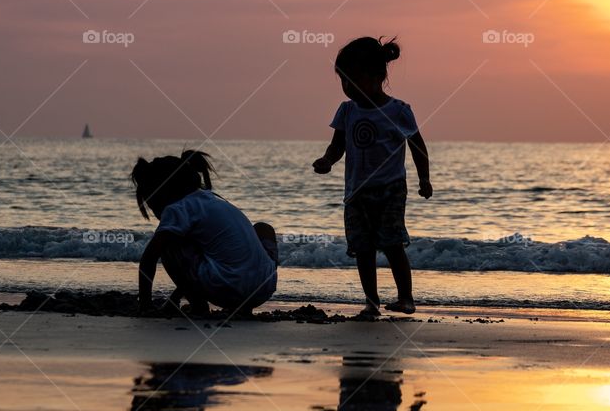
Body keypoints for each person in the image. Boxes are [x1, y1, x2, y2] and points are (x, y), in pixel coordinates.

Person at [312, 36, 431, 317]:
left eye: (353, 80)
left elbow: (418, 145)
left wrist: (424, 179)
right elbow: (338, 144)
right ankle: (371, 302)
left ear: (378, 76)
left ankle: (406, 298)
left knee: (392, 243)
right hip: (356, 193)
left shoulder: (398, 111)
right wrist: (327, 160)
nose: (347, 88)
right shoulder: (347, 111)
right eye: (343, 81)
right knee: (362, 247)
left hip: (390, 190)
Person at [132, 150, 277, 316]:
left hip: (229, 289)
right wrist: (174, 299)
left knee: (167, 244)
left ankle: (198, 305)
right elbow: (193, 268)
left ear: (161, 194)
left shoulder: (178, 209)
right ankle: (244, 308)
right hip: (263, 288)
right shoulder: (211, 199)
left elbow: (149, 258)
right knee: (263, 229)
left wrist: (145, 305)